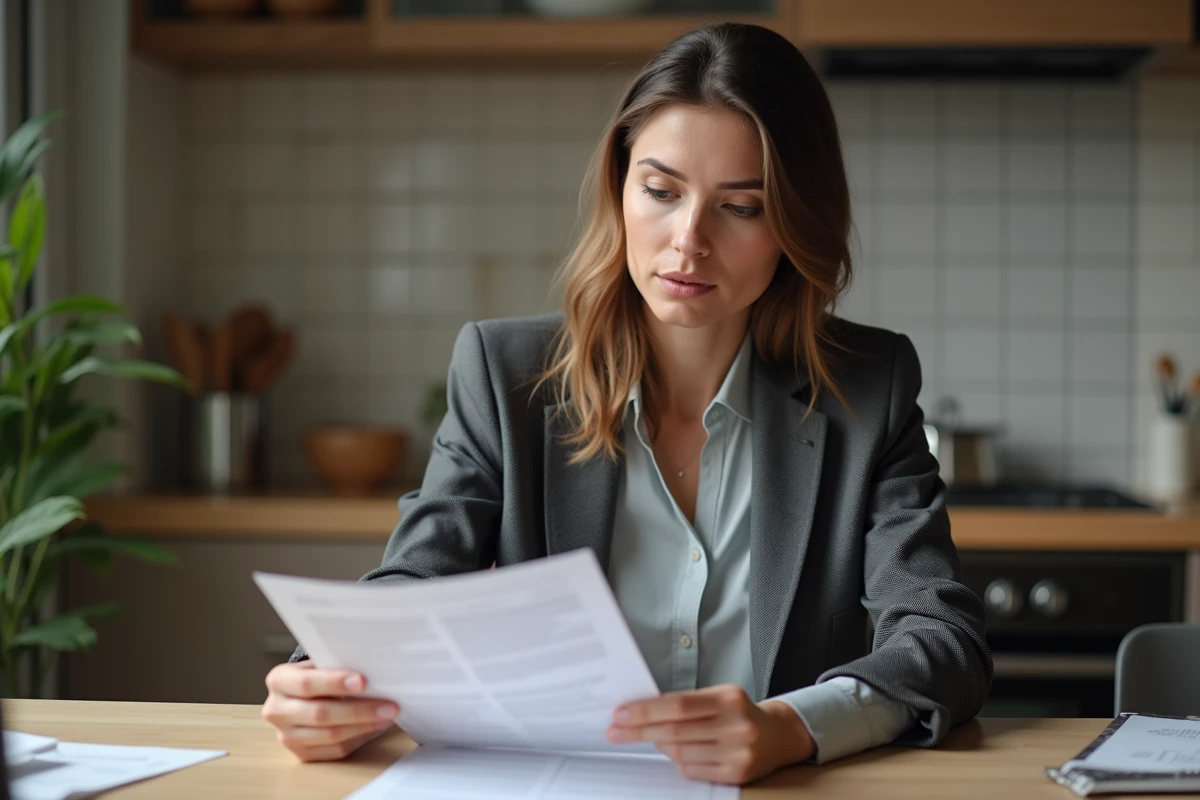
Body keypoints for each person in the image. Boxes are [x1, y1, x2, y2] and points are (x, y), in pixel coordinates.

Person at [261, 21, 992, 785]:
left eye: (740, 207)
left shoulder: (866, 388)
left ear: (794, 223)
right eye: (660, 191)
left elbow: (942, 639)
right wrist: (322, 681)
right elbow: (414, 583)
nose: (687, 241)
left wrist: (789, 728)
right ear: (619, 187)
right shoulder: (506, 373)